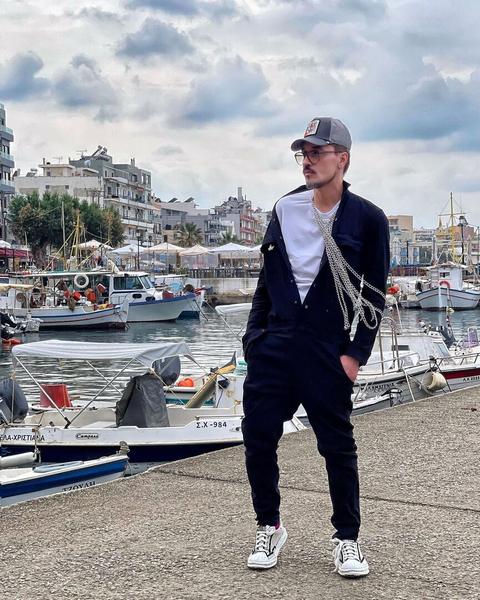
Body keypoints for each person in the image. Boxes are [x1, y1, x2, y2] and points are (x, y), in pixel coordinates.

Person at [241, 117, 390, 577]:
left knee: (337, 446)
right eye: (303, 153)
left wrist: (354, 355)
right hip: (275, 343)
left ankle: (347, 538)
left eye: (317, 153)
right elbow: (267, 281)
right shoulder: (285, 208)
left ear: (342, 159)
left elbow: (374, 295)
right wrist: (254, 338)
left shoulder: (368, 219)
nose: (307, 161)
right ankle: (269, 526)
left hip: (328, 348)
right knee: (258, 437)